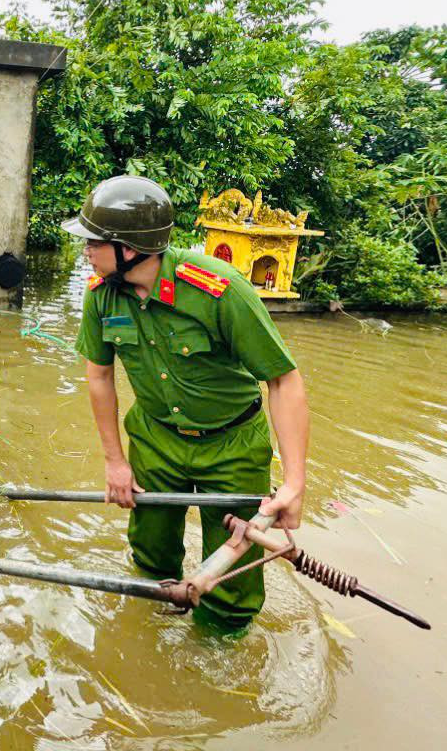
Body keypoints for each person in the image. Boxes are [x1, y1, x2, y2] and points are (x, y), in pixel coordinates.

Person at [62, 175, 310, 633]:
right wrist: (115, 462)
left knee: (233, 570)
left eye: (94, 242)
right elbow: (99, 377)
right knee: (151, 554)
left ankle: (219, 654)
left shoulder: (219, 289)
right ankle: (152, 631)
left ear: (129, 248)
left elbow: (283, 379)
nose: (85, 251)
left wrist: (295, 482)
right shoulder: (101, 295)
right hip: (156, 440)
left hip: (232, 443)